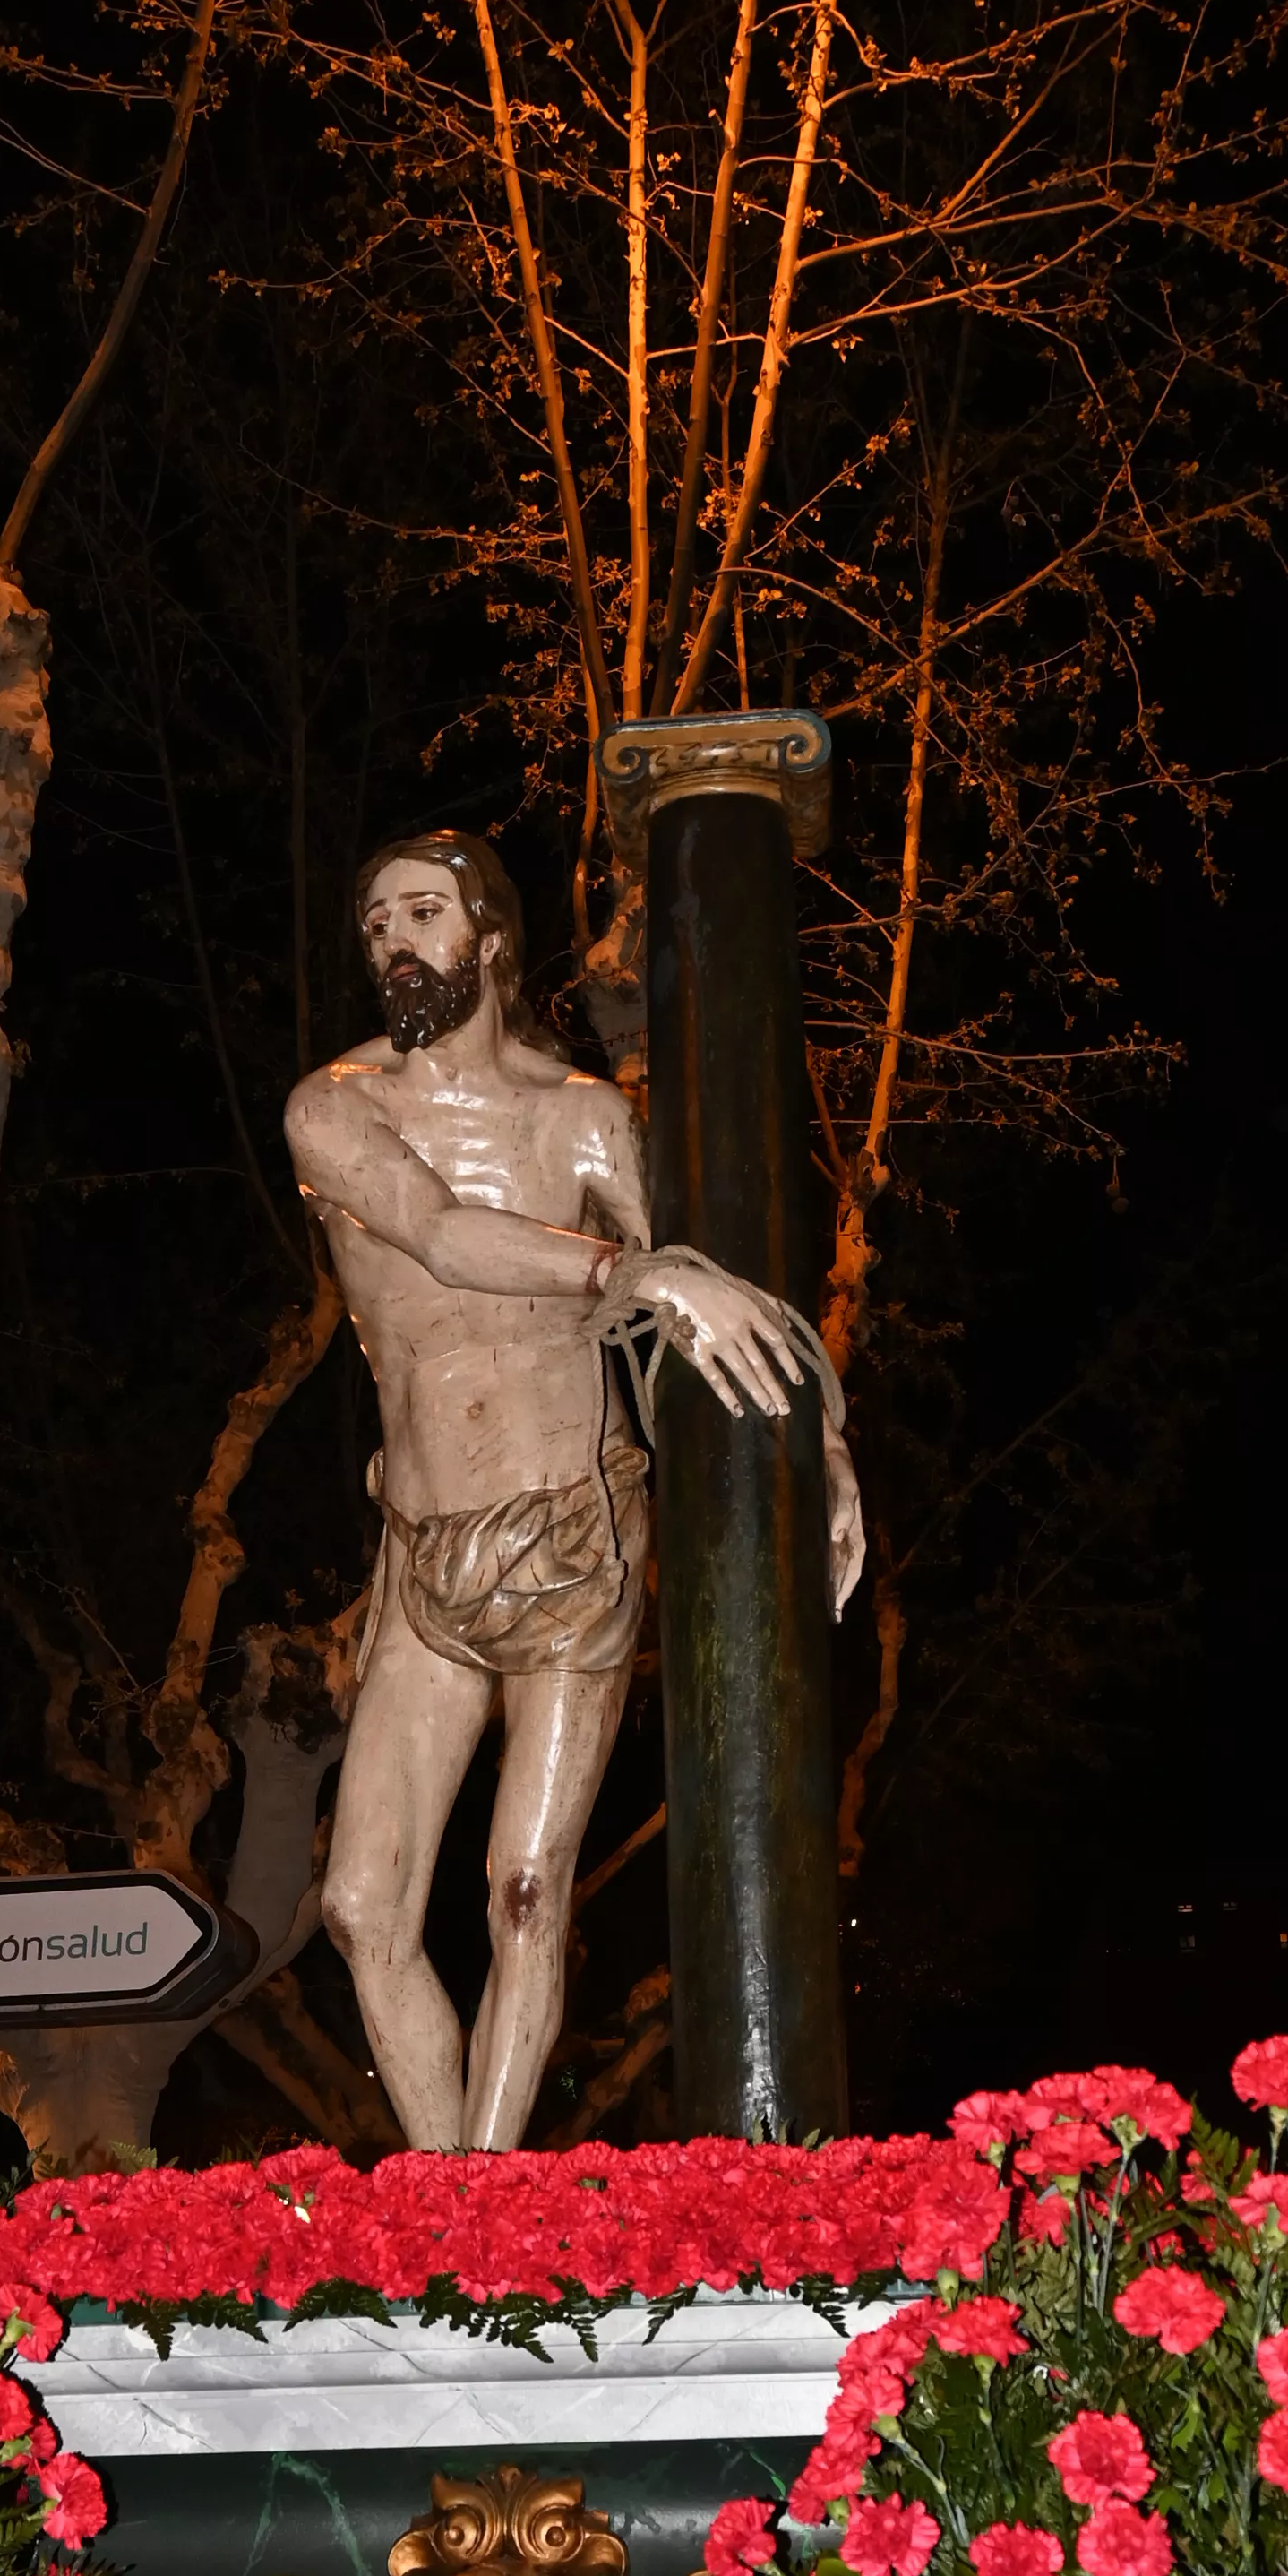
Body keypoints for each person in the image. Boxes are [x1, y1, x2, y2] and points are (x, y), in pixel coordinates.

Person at [288, 830, 861, 2150]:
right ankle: (458, 2207)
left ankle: (475, 2221)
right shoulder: (335, 1110)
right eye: (374, 925)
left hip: (572, 1527)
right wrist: (624, 1273)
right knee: (362, 1909)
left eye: (421, 915)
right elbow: (435, 1231)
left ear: (489, 935)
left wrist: (816, 1444)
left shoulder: (583, 1119)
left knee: (528, 1891)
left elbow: (711, 1306)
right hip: (423, 1550)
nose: (392, 945)